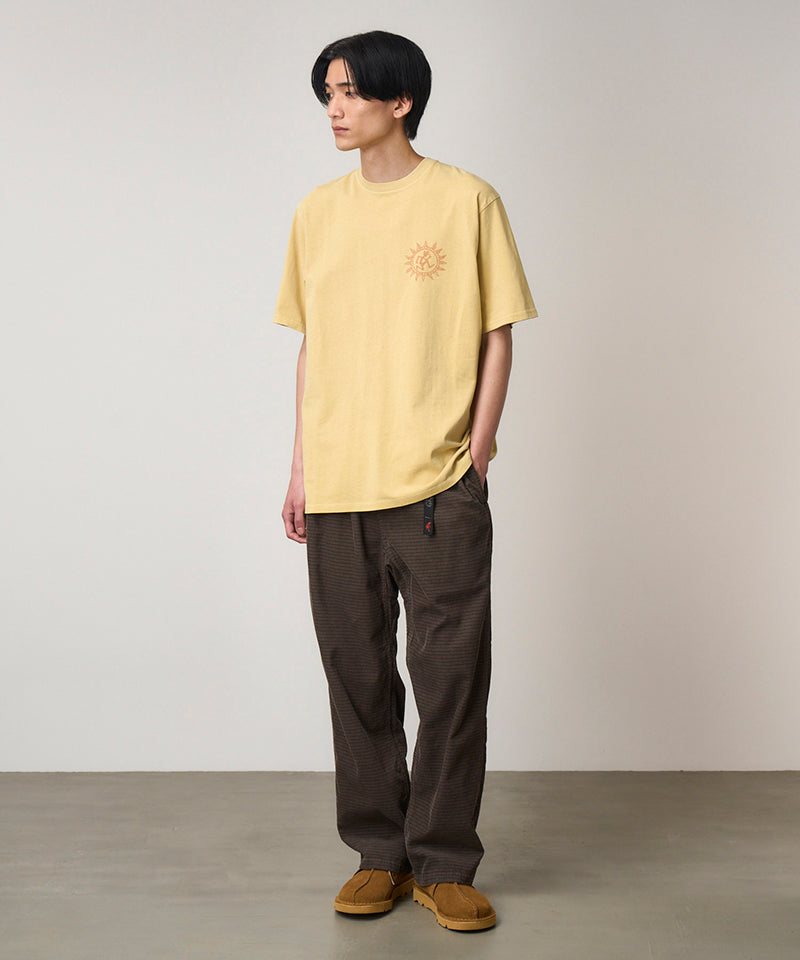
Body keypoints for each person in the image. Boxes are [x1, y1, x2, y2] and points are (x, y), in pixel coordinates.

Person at [274, 30, 537, 932]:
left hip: (436, 488)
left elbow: (498, 332)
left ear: (402, 101)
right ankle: (378, 856)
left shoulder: (466, 199)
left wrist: (478, 448)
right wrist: (301, 468)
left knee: (451, 681)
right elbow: (314, 348)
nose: (335, 109)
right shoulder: (317, 213)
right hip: (339, 485)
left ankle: (446, 863)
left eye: (351, 92)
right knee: (356, 677)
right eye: (328, 93)